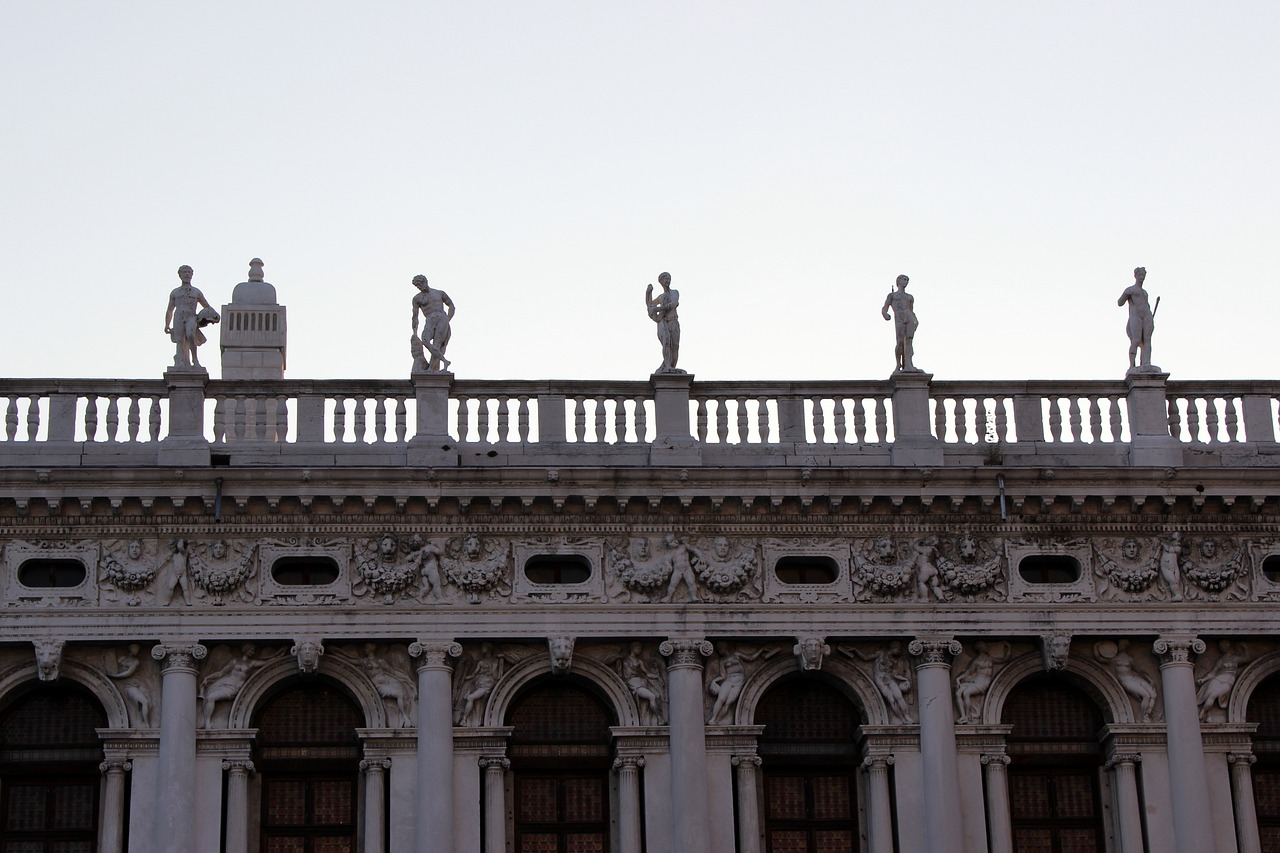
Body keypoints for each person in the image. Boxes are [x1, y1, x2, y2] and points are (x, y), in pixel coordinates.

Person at [164, 265, 217, 369]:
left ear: (192, 275)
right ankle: (180, 362)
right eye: (184, 272)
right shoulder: (175, 292)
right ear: (180, 275)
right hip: (179, 316)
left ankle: (195, 360)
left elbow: (207, 306)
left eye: (189, 272)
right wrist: (167, 324)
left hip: (191, 316)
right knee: (180, 340)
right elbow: (170, 310)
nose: (187, 274)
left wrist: (214, 316)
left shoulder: (196, 292)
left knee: (191, 335)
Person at [410, 274, 455, 372]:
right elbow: (415, 316)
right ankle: (444, 361)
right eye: (418, 285)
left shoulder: (439, 293)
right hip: (430, 319)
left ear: (426, 281)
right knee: (425, 340)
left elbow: (451, 306)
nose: (420, 286)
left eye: (421, 283)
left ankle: (432, 369)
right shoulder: (417, 298)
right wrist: (415, 332)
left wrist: (447, 319)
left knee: (437, 343)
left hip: (441, 317)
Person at [1117, 266, 1156, 371]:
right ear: (1135, 276)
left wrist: (1150, 318)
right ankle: (1132, 366)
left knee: (1147, 340)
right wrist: (1126, 294)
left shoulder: (1145, 293)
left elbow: (1146, 305)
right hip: (1136, 317)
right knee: (1136, 340)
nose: (1141, 277)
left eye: (1143, 275)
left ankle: (1146, 363)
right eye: (1139, 275)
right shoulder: (1130, 290)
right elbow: (1120, 303)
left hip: (1147, 316)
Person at [645, 271, 682, 374]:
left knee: (675, 345)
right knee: (666, 344)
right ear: (660, 282)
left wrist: (658, 309)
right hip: (664, 323)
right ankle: (667, 366)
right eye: (665, 279)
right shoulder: (661, 297)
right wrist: (648, 293)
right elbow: (650, 305)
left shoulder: (675, 292)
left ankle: (671, 366)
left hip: (673, 321)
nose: (667, 280)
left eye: (669, 278)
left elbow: (673, 304)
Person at [881, 274, 919, 372]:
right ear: (898, 281)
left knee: (909, 340)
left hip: (909, 317)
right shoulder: (892, 295)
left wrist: (915, 320)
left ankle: (909, 364)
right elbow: (885, 307)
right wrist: (885, 314)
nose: (906, 281)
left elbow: (911, 310)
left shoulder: (909, 297)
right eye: (904, 279)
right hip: (899, 317)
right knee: (900, 341)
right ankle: (898, 364)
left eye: (907, 280)